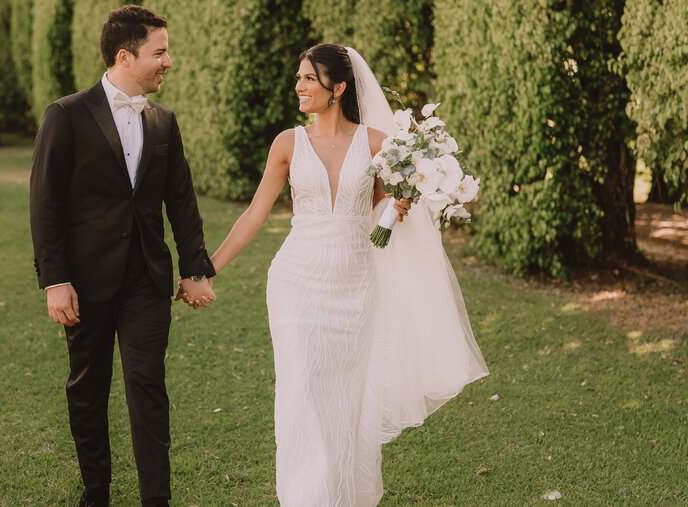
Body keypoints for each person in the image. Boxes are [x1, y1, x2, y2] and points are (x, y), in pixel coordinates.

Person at [186, 44, 489, 506]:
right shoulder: (287, 144)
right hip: (296, 281)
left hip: (355, 282)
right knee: (303, 391)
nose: (299, 86)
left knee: (347, 400)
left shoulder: (376, 144)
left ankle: (344, 495)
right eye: (300, 78)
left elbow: (383, 210)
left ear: (338, 88)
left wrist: (399, 205)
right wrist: (206, 271)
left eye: (309, 79)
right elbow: (253, 214)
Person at [29, 6, 215, 506]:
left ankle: (157, 499)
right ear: (124, 56)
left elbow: (181, 200)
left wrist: (195, 268)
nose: (168, 62)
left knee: (147, 389)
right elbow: (45, 203)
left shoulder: (163, 122)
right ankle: (97, 495)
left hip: (146, 283)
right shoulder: (65, 114)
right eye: (160, 52)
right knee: (87, 392)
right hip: (84, 284)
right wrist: (56, 279)